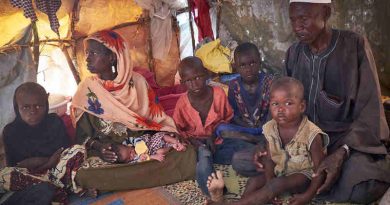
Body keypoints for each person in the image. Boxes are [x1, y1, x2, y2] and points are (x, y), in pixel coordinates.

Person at [71, 30, 196, 191]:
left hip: (145, 149)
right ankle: (150, 174)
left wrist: (169, 136)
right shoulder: (86, 90)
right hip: (112, 155)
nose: (87, 58)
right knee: (83, 174)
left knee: (186, 153)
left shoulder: (138, 82)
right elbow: (83, 137)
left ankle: (126, 179)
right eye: (87, 53)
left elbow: (156, 120)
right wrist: (101, 148)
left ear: (112, 57)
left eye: (93, 53)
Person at [207, 77, 329, 205]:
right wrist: (269, 182)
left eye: (288, 103)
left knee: (277, 184)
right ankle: (244, 202)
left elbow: (319, 170)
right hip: (280, 172)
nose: (280, 109)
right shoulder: (270, 127)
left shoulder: (312, 133)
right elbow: (269, 159)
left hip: (303, 177)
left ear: (302, 106)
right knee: (255, 181)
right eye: (275, 104)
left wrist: (308, 195)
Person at [173, 56, 252, 197]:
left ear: (207, 74)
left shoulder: (219, 94)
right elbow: (178, 130)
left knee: (244, 148)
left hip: (218, 140)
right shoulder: (182, 104)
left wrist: (214, 135)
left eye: (198, 77)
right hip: (198, 145)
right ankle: (215, 194)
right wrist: (197, 144)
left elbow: (227, 118)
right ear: (182, 82)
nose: (195, 84)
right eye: (189, 81)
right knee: (203, 160)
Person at [1, 82, 87, 204]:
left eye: (38, 106)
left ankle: (59, 190)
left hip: (59, 173)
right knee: (4, 175)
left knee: (78, 150)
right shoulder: (11, 131)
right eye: (26, 107)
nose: (33, 111)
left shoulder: (54, 122)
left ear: (46, 105)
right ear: (17, 107)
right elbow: (15, 167)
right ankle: (63, 189)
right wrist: (48, 162)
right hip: (30, 180)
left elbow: (65, 153)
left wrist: (38, 162)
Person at [222, 42, 274, 176]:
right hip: (246, 131)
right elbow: (234, 114)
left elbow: (273, 114)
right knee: (221, 130)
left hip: (266, 129)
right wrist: (243, 126)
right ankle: (257, 145)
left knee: (236, 158)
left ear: (260, 62)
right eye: (243, 65)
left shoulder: (270, 83)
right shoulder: (234, 85)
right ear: (236, 67)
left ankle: (260, 150)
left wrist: (266, 131)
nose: (248, 69)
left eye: (252, 63)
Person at [113, 132, 187, 163]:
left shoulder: (128, 143)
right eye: (129, 158)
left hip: (150, 141)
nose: (132, 155)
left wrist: (138, 144)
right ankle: (172, 147)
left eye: (130, 152)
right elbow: (142, 159)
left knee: (160, 136)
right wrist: (152, 157)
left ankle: (176, 142)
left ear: (128, 146)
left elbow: (134, 139)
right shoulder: (136, 159)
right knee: (160, 152)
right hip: (152, 150)